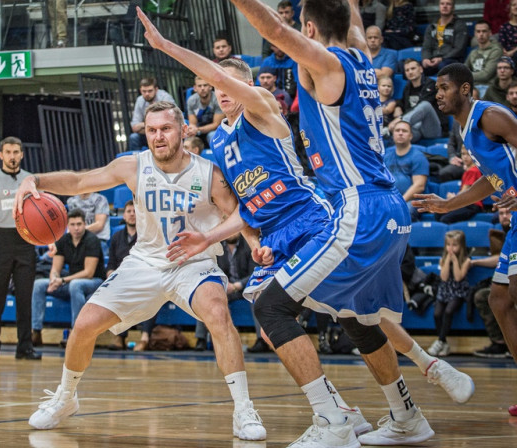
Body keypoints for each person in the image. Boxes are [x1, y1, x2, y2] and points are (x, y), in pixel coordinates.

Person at [198, 1, 450, 445]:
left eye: (300, 28)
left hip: (355, 208)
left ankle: (332, 421)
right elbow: (349, 16)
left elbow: (274, 28)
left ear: (309, 28)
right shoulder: (361, 56)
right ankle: (404, 415)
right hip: (383, 205)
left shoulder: (328, 63)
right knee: (355, 314)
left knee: (269, 307)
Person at [15, 101, 267, 441]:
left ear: (182, 130)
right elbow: (79, 181)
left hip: (193, 263)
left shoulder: (208, 173)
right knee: (85, 323)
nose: (158, 136)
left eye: (165, 129)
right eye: (151, 130)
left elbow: (241, 214)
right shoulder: (133, 166)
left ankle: (243, 409)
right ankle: (65, 397)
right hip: (145, 262)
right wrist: (35, 179)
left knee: (218, 312)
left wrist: (242, 244)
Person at [413, 62, 517, 415]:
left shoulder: (489, 115)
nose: (438, 94)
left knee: (513, 292)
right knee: (500, 300)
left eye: (444, 88)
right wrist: (447, 206)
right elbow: (490, 181)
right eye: (437, 88)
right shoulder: (468, 129)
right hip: (515, 217)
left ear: (466, 90)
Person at [0, 137, 41, 360]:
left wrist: (48, 242)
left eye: (16, 152)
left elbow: (42, 214)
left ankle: (25, 347)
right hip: (0, 240)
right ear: (1, 155)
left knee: (25, 297)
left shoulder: (30, 180)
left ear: (22, 154)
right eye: (8, 152)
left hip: (25, 240)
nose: (12, 156)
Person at [31, 208, 106, 346]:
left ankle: (76, 333)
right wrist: (54, 279)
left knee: (76, 285)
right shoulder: (63, 240)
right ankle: (36, 332)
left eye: (79, 224)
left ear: (84, 224)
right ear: (67, 226)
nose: (76, 228)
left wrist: (63, 280)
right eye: (72, 225)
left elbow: (89, 273)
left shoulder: (92, 240)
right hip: (72, 282)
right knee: (39, 285)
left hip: (95, 283)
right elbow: (56, 268)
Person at [471, 207, 512, 358]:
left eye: (508, 212)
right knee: (485, 296)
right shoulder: (503, 234)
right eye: (501, 213)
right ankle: (499, 343)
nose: (505, 216)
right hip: (509, 282)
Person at [428, 230, 471, 357]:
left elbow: (458, 278)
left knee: (448, 311)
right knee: (437, 314)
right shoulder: (443, 259)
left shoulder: (467, 260)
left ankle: (440, 341)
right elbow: (444, 277)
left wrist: (455, 261)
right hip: (445, 290)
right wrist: (447, 260)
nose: (450, 248)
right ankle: (444, 343)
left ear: (461, 246)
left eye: (454, 245)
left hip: (458, 291)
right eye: (448, 245)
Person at [105, 200, 137, 350]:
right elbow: (111, 263)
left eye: (135, 211)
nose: (132, 214)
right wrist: (111, 274)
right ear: (123, 216)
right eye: (129, 211)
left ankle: (124, 336)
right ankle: (119, 336)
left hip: (140, 277)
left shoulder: (147, 236)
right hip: (120, 278)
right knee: (115, 290)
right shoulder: (117, 236)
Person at [388, 58, 444, 142]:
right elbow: (402, 102)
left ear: (421, 69)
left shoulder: (432, 85)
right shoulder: (408, 87)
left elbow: (423, 105)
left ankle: (401, 124)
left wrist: (401, 119)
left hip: (431, 128)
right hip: (414, 128)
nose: (410, 72)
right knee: (399, 136)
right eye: (407, 70)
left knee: (425, 105)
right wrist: (398, 106)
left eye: (413, 69)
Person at [384, 120, 428, 220]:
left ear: (411, 136)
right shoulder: (386, 155)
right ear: (393, 134)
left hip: (411, 201)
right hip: (388, 199)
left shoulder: (418, 156)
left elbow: (419, 186)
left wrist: (400, 202)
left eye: (404, 131)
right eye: (397, 130)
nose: (400, 133)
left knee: (403, 212)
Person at [435, 146, 483, 224]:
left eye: (468, 154)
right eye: (463, 154)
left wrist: (452, 198)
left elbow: (465, 191)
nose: (465, 157)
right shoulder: (468, 170)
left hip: (472, 205)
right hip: (465, 204)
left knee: (445, 219)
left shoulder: (473, 171)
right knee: (438, 214)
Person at [421, 0, 469, 76]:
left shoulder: (460, 25)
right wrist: (426, 59)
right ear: (439, 6)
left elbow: (459, 49)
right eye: (442, 4)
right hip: (433, 59)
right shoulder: (432, 26)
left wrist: (442, 59)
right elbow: (426, 47)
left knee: (443, 66)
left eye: (448, 4)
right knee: (416, 68)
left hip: (452, 60)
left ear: (453, 8)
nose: (445, 6)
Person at [128, 77, 176, 151]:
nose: (147, 94)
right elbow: (135, 127)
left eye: (150, 91)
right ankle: (137, 161)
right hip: (148, 134)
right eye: (144, 91)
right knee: (134, 137)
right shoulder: (140, 100)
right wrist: (151, 127)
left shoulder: (165, 97)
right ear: (140, 90)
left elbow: (171, 121)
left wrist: (145, 126)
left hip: (165, 132)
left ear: (156, 89)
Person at [185, 75, 224, 147]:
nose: (202, 88)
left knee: (212, 135)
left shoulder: (217, 99)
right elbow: (193, 123)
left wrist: (198, 130)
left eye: (205, 85)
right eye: (199, 86)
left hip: (215, 130)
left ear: (210, 86)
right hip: (199, 130)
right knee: (187, 139)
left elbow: (216, 124)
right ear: (195, 88)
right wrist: (192, 130)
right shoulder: (191, 100)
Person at [466, 21, 503, 97]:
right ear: (475, 34)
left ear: (490, 33)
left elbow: (486, 75)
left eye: (484, 31)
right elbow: (464, 69)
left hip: (488, 87)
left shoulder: (496, 51)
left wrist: (466, 75)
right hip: (473, 87)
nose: (481, 34)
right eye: (478, 31)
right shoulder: (473, 52)